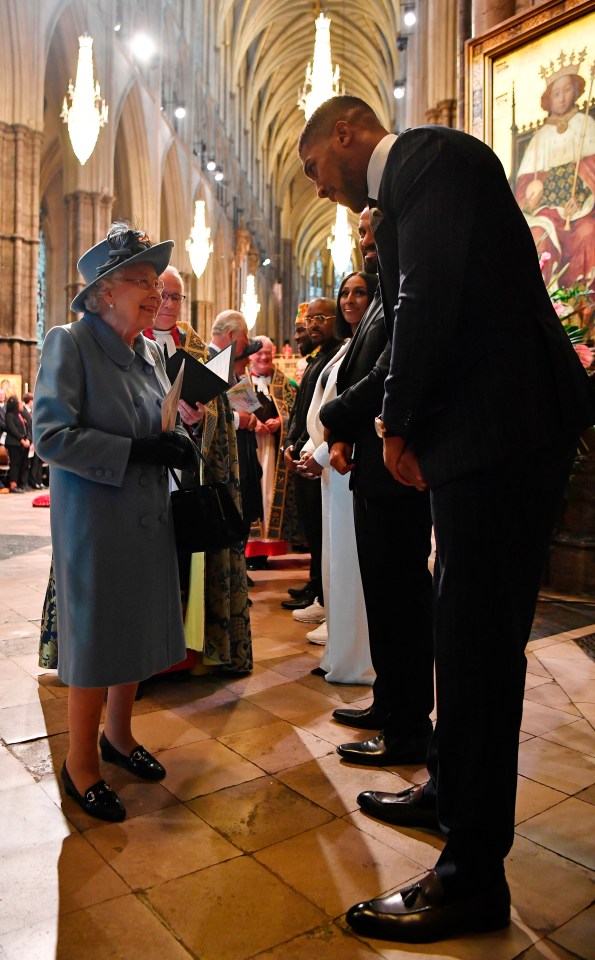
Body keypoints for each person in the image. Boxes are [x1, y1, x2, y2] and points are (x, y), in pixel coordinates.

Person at [298, 95, 595, 943]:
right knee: (455, 625)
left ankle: (471, 874)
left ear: (347, 134)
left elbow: (426, 302)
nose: (318, 188)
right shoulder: (409, 193)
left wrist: (392, 421)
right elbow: (420, 310)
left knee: (473, 642)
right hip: (482, 435)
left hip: (502, 432)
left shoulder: (431, 158)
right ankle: (449, 790)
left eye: (314, 166)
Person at [34, 221, 194, 824]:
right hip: (96, 519)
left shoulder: (149, 350)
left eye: (156, 281)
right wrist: (137, 453)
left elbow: (155, 416)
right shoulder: (69, 344)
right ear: (104, 292)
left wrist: (176, 438)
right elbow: (49, 434)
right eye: (140, 281)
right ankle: (81, 765)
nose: (154, 292)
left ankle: (119, 738)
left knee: (136, 627)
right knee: (98, 636)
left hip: (147, 513)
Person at [319, 208, 434, 749]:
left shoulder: (406, 289)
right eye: (360, 232)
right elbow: (357, 370)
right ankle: (390, 701)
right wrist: (342, 435)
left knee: (403, 599)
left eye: (369, 229)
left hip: (396, 475)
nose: (363, 240)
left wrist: (334, 417)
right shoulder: (384, 291)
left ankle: (409, 724)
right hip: (370, 472)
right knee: (383, 597)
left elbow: (383, 375)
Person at [298, 271, 377, 680]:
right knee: (334, 563)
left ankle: (357, 660)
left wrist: (325, 451)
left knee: (352, 565)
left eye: (359, 292)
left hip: (349, 465)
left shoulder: (372, 339)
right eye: (344, 292)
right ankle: (339, 652)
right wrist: (314, 449)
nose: (349, 300)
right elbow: (324, 403)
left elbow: (355, 407)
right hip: (332, 470)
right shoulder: (346, 347)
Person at [281, 299, 342, 613]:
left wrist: (304, 445)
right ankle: (316, 583)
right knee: (312, 529)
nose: (311, 324)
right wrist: (290, 442)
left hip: (318, 455)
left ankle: (321, 591)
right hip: (304, 451)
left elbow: (324, 413)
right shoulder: (317, 359)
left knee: (321, 530)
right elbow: (300, 409)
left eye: (320, 317)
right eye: (308, 318)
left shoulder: (335, 357)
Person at [515, 53, 595, 287]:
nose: (562, 98)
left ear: (577, 91)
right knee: (536, 234)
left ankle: (583, 308)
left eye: (567, 90)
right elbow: (523, 189)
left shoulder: (586, 125)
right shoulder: (540, 137)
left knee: (588, 232)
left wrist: (580, 198)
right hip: (546, 212)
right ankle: (543, 304)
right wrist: (530, 196)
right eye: (556, 93)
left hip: (581, 208)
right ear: (548, 98)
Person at [245, 336, 298, 569]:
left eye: (267, 353)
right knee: (251, 494)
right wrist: (252, 423)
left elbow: (295, 416)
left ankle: (265, 550)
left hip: (273, 453)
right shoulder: (241, 381)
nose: (263, 357)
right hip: (248, 447)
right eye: (259, 354)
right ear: (251, 355)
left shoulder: (285, 384)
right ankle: (249, 550)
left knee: (268, 496)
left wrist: (280, 422)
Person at [4, 395, 31, 492]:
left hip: (22, 444)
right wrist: (22, 440)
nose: (22, 405)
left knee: (22, 464)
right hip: (13, 443)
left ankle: (21, 483)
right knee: (14, 464)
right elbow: (12, 429)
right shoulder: (9, 415)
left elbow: (27, 427)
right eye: (20, 403)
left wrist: (28, 439)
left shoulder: (20, 415)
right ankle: (13, 484)